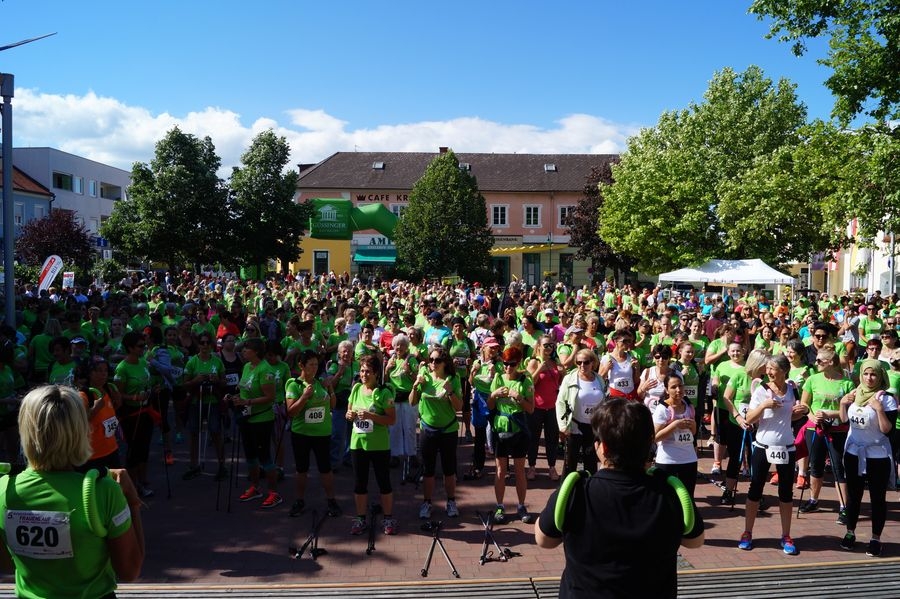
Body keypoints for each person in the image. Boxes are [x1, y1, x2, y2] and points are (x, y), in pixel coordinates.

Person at [535, 399, 704, 599]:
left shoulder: (575, 491)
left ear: (603, 448)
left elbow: (544, 539)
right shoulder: (670, 492)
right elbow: (695, 541)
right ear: (650, 443)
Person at [0, 385, 145, 596]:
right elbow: (130, 571)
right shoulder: (103, 491)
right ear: (81, 431)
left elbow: (5, 564)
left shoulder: (5, 489)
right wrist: (133, 502)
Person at [738, 354, 804, 555]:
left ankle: (786, 535)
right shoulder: (761, 390)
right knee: (755, 488)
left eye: (772, 369)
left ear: (784, 370)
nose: (768, 372)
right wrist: (763, 406)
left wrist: (803, 410)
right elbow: (748, 418)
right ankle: (747, 532)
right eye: (767, 368)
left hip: (786, 447)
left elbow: (793, 415)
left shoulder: (792, 389)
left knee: (785, 493)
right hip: (763, 446)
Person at [838, 359, 897, 556]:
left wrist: (879, 409)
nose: (869, 378)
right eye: (866, 374)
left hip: (877, 455)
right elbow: (845, 420)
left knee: (877, 498)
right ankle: (850, 532)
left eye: (873, 374)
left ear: (880, 376)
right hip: (854, 453)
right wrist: (842, 404)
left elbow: (887, 430)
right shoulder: (855, 393)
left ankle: (875, 538)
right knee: (853, 496)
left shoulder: (886, 398)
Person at [797, 347, 853, 522]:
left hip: (837, 430)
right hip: (815, 429)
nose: (816, 363)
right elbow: (805, 404)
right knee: (816, 465)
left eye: (820, 361)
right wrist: (812, 416)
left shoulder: (846, 383)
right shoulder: (813, 379)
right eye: (817, 360)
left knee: (838, 468)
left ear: (831, 362)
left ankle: (844, 506)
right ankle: (813, 500)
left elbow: (849, 412)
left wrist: (831, 414)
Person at [346, 354, 397, 536]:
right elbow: (348, 412)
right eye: (361, 371)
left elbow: (391, 419)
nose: (364, 374)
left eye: (368, 371)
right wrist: (350, 416)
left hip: (379, 445)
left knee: (384, 482)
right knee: (360, 483)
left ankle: (388, 517)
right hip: (358, 443)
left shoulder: (384, 392)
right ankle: (360, 518)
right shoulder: (357, 388)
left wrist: (371, 416)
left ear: (376, 373)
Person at [286, 350, 340, 518]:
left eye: (317, 364)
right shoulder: (293, 384)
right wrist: (304, 397)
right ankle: (299, 500)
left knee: (325, 469)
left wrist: (330, 387)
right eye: (311, 364)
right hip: (301, 434)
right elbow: (291, 412)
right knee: (302, 469)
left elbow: (333, 405)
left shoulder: (319, 383)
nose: (315, 368)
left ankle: (331, 501)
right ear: (301, 366)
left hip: (322, 434)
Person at [411, 346, 462, 519]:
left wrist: (450, 392)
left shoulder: (453, 379)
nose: (433, 363)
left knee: (449, 470)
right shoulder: (424, 378)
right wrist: (416, 385)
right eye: (431, 360)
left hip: (448, 430)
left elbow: (458, 407)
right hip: (428, 430)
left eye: (437, 360)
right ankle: (426, 502)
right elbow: (412, 402)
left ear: (444, 362)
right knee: (428, 470)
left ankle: (451, 501)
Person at [230, 337, 281, 509]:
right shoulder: (246, 367)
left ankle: (273, 492)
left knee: (264, 455)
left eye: (247, 349)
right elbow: (244, 389)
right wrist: (237, 398)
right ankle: (255, 487)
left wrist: (247, 403)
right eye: (243, 349)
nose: (243, 352)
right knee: (250, 455)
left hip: (262, 418)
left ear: (256, 352)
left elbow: (270, 397)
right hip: (246, 417)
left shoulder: (265, 370)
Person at [488, 345, 535, 523]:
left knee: (519, 470)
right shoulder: (498, 378)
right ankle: (500, 506)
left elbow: (531, 409)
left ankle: (521, 505)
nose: (508, 367)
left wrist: (519, 398)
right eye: (506, 363)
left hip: (518, 429)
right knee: (500, 470)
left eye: (512, 364)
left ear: (519, 363)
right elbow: (490, 405)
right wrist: (493, 394)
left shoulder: (525, 381)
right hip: (500, 429)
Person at [557, 348, 606, 478]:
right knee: (570, 465)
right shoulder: (569, 379)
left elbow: (604, 402)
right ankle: (567, 494)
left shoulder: (599, 380)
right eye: (579, 363)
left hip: (592, 428)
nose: (582, 366)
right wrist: (563, 426)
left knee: (591, 464)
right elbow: (561, 403)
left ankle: (590, 493)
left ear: (593, 363)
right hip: (574, 427)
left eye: (586, 362)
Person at [653, 373, 698, 498]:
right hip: (668, 460)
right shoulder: (663, 409)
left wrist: (692, 425)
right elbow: (655, 437)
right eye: (673, 387)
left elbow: (693, 433)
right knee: (667, 498)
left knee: (688, 497)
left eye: (680, 386)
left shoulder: (689, 406)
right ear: (667, 390)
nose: (678, 390)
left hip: (689, 459)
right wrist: (675, 425)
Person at [526, 334, 563, 481]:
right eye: (546, 345)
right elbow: (529, 385)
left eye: (551, 345)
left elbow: (560, 382)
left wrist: (562, 372)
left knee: (552, 439)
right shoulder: (533, 362)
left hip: (552, 406)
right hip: (537, 406)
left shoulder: (555, 362)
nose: (549, 348)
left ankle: (552, 467)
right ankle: (532, 467)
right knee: (533, 438)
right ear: (539, 346)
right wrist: (539, 369)